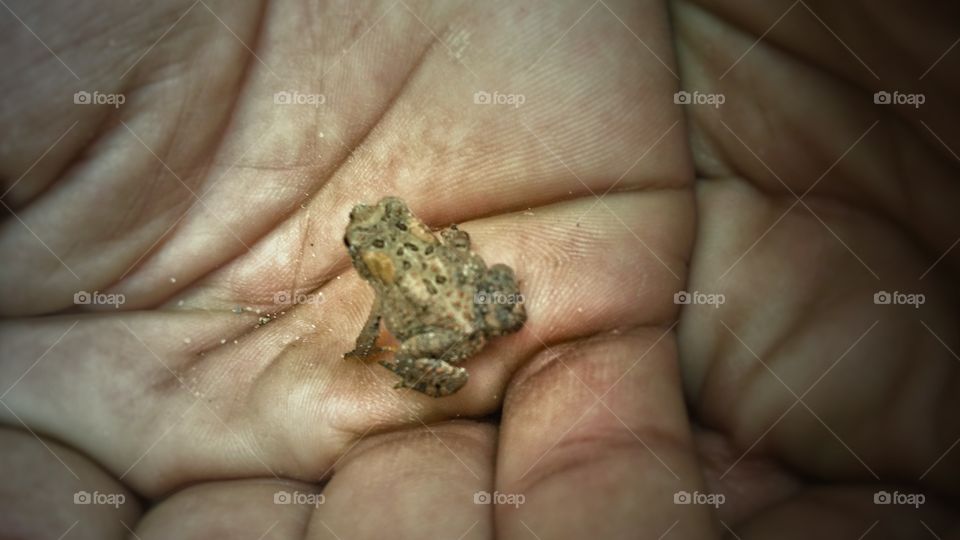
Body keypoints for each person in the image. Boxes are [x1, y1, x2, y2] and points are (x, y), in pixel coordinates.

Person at [0, 0, 957, 537]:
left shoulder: (386, 271)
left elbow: (378, 329)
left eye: (369, 236)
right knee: (476, 302)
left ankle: (451, 367)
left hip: (451, 319)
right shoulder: (417, 246)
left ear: (375, 245)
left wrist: (367, 355)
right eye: (370, 239)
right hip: (475, 299)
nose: (370, 236)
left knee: (447, 334)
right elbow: (447, 254)